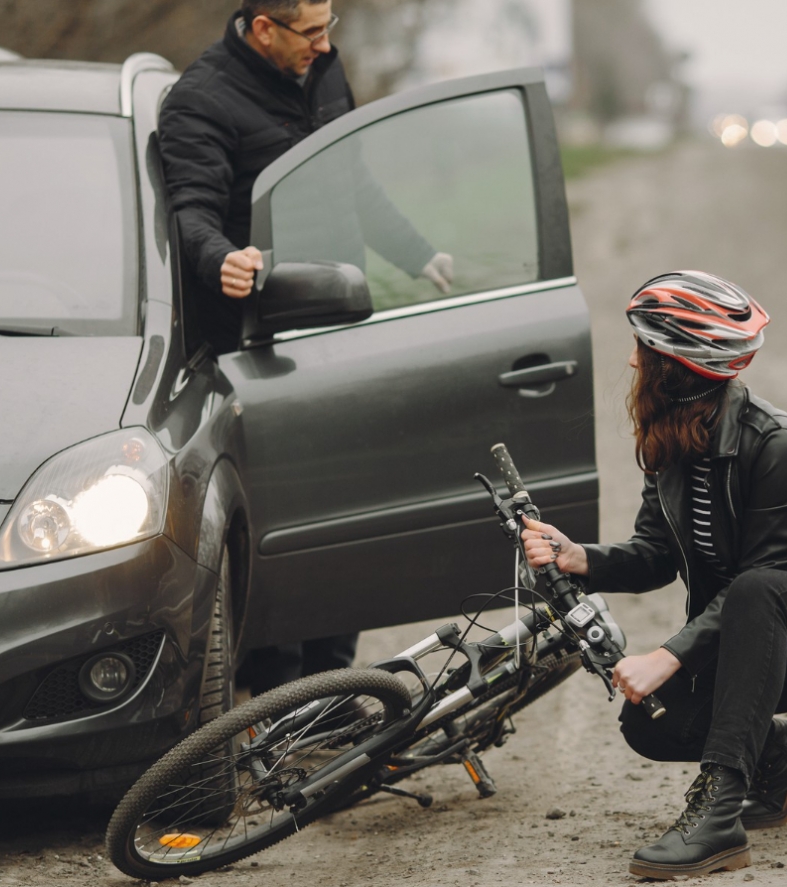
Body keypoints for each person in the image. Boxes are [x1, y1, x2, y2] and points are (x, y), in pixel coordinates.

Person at [520, 271, 787, 880]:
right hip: (755, 630)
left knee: (757, 588)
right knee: (648, 723)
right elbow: (654, 554)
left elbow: (768, 578)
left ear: (675, 364)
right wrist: (579, 557)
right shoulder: (673, 436)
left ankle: (719, 815)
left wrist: (668, 655)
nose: (632, 360)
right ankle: (781, 755)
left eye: (643, 349)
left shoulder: (777, 446)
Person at [158, 0, 449, 696]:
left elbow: (353, 181)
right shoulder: (200, 102)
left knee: (343, 515)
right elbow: (191, 209)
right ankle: (277, 698)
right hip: (263, 349)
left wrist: (415, 252)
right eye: (311, 32)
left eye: (330, 27)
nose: (325, 45)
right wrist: (219, 258)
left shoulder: (320, 71)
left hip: (338, 330)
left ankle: (335, 689)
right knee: (280, 526)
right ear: (263, 28)